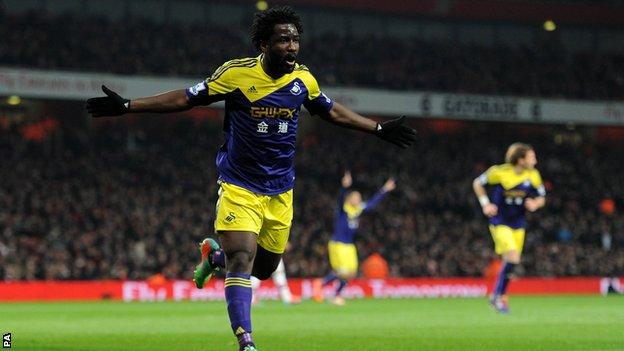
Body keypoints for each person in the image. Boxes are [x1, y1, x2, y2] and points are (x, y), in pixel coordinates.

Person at [86, 6, 416, 351]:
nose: (292, 46)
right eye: (283, 40)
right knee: (242, 259)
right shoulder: (236, 74)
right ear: (263, 44)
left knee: (263, 269)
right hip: (239, 185)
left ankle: (214, 258)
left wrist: (377, 128)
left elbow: (330, 110)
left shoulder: (303, 80)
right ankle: (246, 341)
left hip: (281, 191)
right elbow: (186, 97)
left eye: (295, 40)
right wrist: (128, 106)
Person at [472, 142, 546, 314]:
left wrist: (535, 203)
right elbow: (477, 183)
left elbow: (542, 197)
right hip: (500, 222)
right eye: (531, 157)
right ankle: (497, 296)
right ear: (521, 160)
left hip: (518, 224)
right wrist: (485, 204)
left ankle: (499, 296)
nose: (535, 160)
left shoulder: (533, 175)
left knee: (512, 262)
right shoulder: (499, 172)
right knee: (512, 257)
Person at [313, 171, 395, 305]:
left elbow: (372, 203)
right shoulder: (342, 209)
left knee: (351, 272)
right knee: (343, 271)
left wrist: (385, 189)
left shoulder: (357, 210)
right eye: (356, 198)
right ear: (349, 199)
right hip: (338, 243)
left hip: (349, 245)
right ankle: (327, 288)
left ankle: (328, 288)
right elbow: (340, 198)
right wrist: (344, 187)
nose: (359, 200)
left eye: (359, 198)